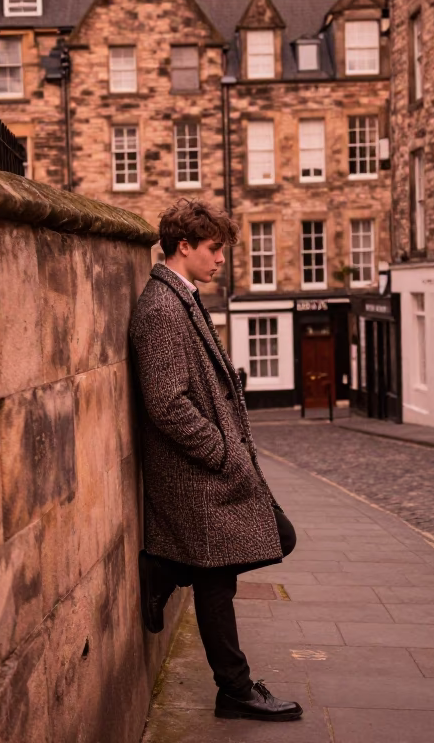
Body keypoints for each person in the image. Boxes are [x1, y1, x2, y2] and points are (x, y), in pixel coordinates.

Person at [129, 199, 301, 722]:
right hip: (196, 474)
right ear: (184, 246)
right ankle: (236, 689)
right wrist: (223, 453)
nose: (221, 259)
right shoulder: (161, 308)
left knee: (278, 536)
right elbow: (166, 403)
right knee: (218, 579)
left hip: (212, 472)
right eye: (214, 248)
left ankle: (168, 566)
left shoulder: (182, 297)